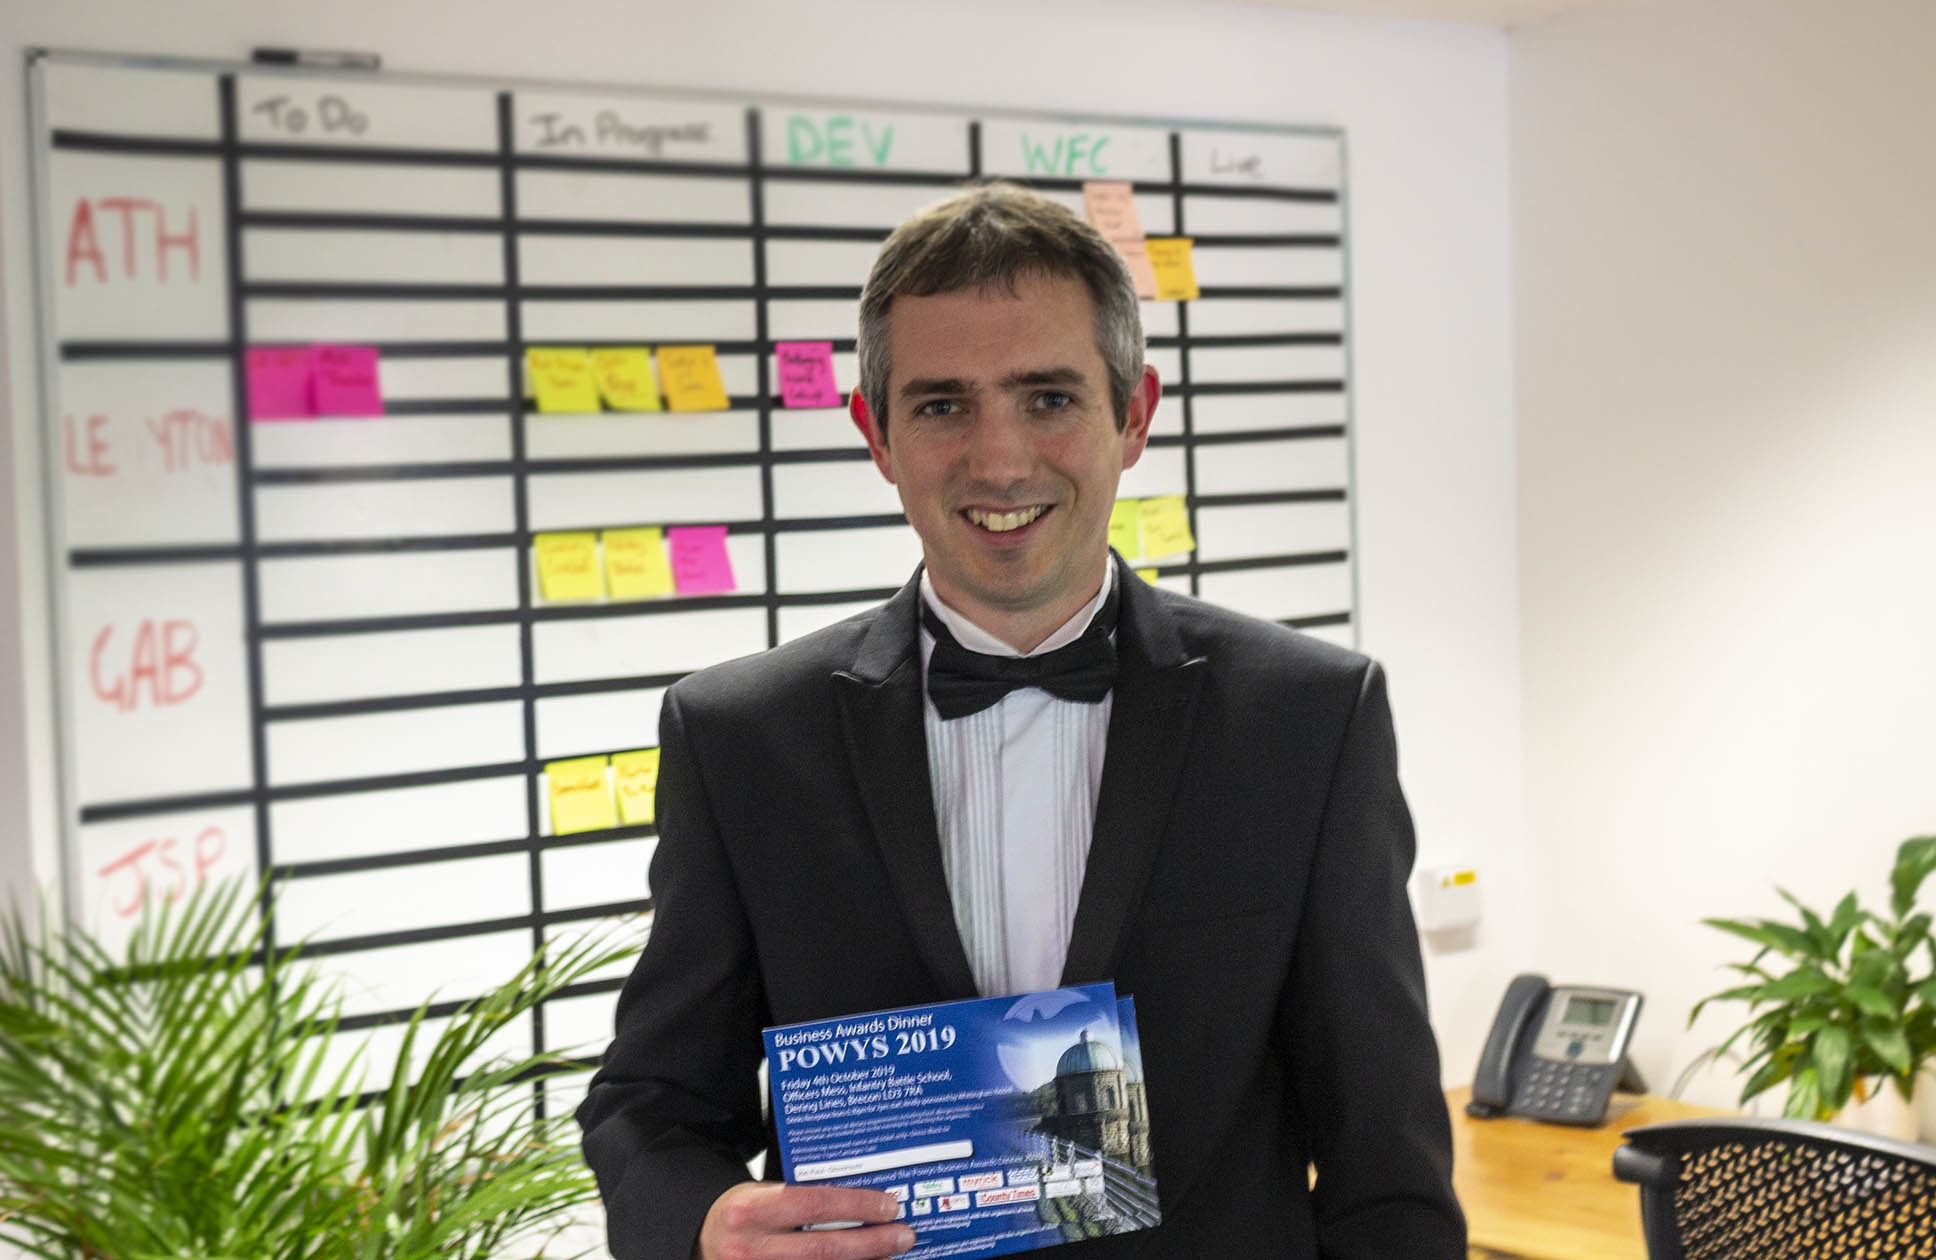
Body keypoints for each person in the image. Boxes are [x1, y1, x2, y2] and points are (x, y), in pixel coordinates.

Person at [578, 181, 1464, 1260]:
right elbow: (649, 1105)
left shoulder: (1309, 721)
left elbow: (1387, 1169)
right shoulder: (739, 738)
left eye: (1047, 397)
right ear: (876, 435)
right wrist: (704, 1224)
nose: (999, 461)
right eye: (942, 405)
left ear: (1133, 415)